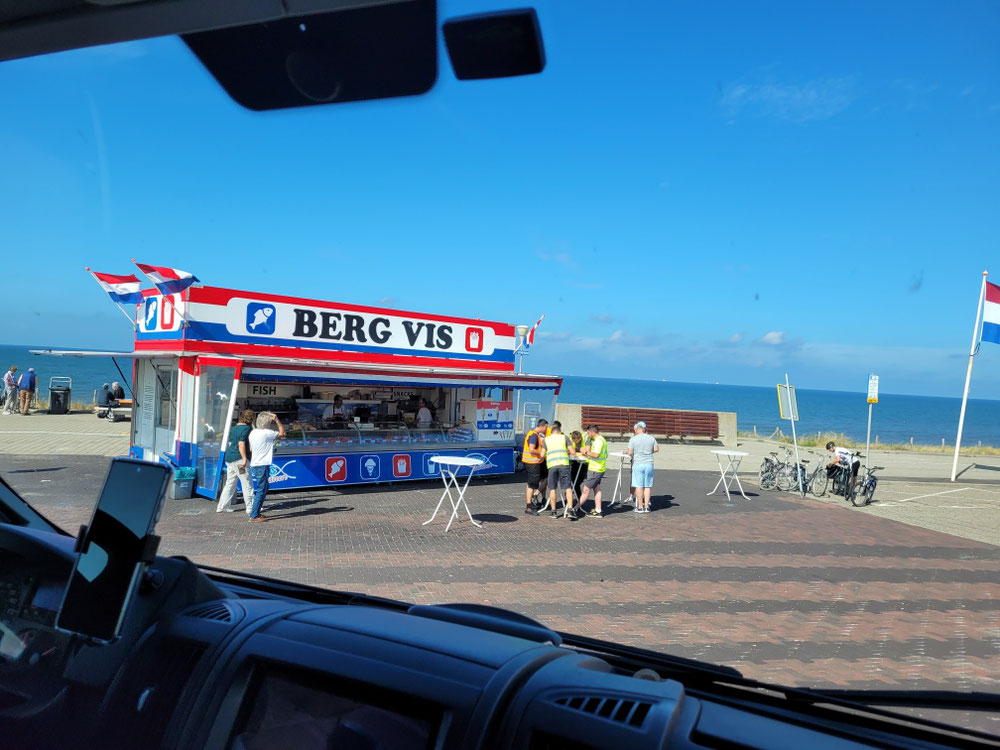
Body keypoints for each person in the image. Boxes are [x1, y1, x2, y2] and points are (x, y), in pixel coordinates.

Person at [247, 411, 286, 522]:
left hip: (255, 463)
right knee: (261, 489)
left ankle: (256, 512)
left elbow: (250, 449)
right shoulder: (267, 433)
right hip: (262, 463)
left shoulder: (253, 433)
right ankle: (254, 515)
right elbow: (283, 433)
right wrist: (277, 420)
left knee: (263, 488)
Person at [217, 409, 255, 513]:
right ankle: (251, 508)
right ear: (251, 418)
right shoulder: (247, 428)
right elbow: (241, 444)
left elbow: (232, 442)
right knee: (247, 483)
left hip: (229, 458)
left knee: (230, 483)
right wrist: (244, 459)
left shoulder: (235, 427)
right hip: (239, 460)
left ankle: (222, 506)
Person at [544, 421, 578, 519]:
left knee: (552, 488)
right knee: (567, 488)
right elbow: (572, 451)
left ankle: (554, 512)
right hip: (564, 465)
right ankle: (571, 510)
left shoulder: (547, 439)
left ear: (551, 431)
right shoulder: (565, 437)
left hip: (552, 465)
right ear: (560, 431)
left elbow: (542, 454)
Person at [627, 421, 659, 513]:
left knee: (639, 485)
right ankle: (647, 506)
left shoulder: (633, 439)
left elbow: (629, 452)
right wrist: (648, 451)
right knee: (647, 486)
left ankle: (640, 507)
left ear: (637, 429)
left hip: (638, 463)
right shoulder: (651, 438)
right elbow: (656, 449)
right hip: (649, 463)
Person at [578, 424, 609, 517]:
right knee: (597, 489)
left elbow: (596, 455)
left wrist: (585, 452)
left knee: (585, 489)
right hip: (598, 468)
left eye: (588, 433)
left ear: (592, 432)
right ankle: (598, 510)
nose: (587, 434)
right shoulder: (599, 439)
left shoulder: (599, 441)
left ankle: (574, 508)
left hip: (596, 469)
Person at [522, 418, 548, 514]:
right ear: (541, 426)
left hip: (534, 463)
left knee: (533, 483)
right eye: (545, 427)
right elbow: (531, 450)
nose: (546, 429)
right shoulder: (533, 435)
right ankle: (529, 506)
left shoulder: (535, 435)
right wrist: (541, 453)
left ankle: (531, 504)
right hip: (532, 463)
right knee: (531, 484)